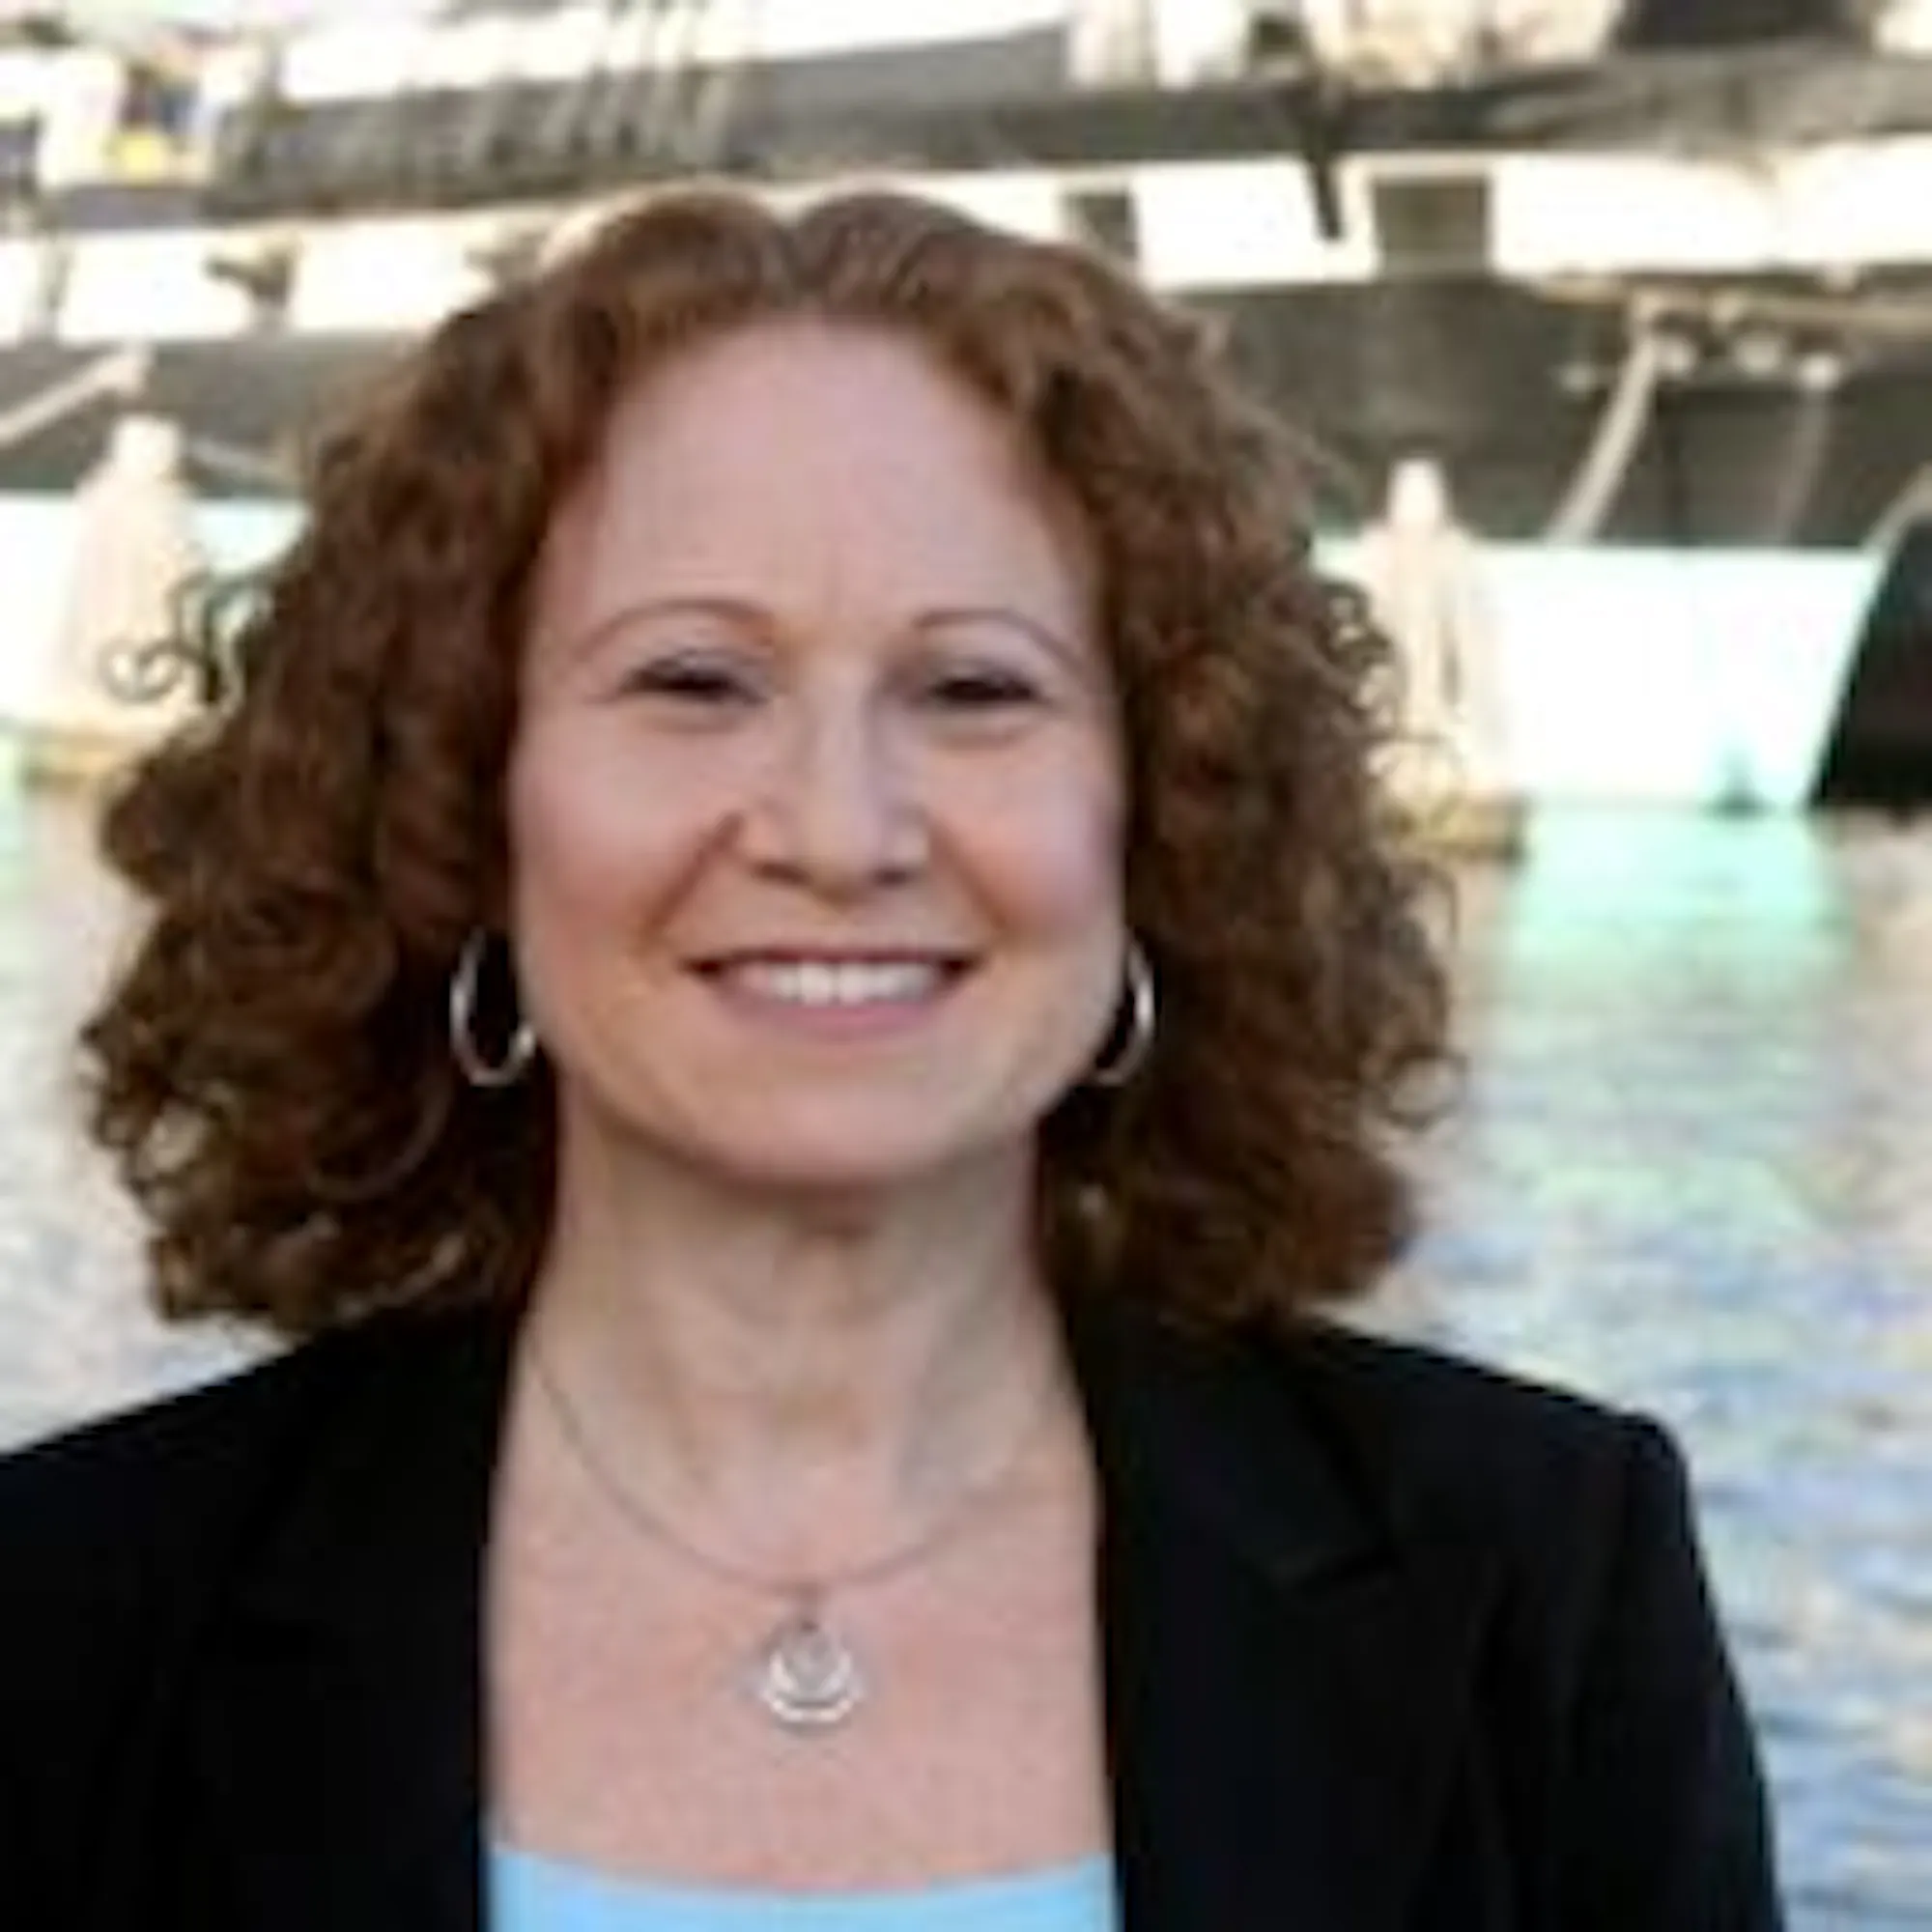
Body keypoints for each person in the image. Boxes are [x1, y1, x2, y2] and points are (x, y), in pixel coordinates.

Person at [0, 185, 1781, 1930]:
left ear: (1158, 817)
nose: (839, 831)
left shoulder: (1539, 1587)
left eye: (976, 690)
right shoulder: (66, 1617)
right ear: (460, 806)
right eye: (695, 682)